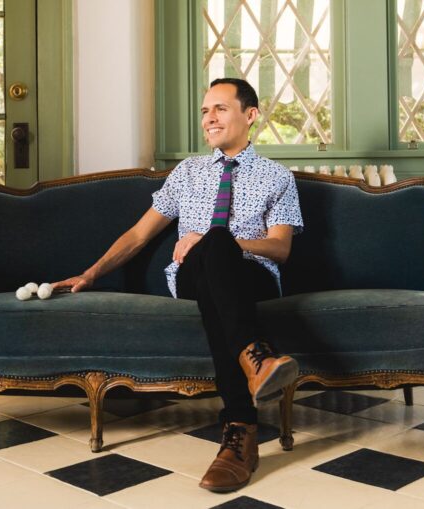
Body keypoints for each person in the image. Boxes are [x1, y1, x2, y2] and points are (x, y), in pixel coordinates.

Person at [53, 78, 304, 492]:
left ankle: (240, 431)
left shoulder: (277, 177)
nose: (209, 118)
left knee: (219, 243)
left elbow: (279, 249)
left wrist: (216, 241)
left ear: (251, 115)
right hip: (191, 276)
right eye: (205, 111)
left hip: (252, 276)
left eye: (220, 109)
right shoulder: (186, 173)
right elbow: (138, 236)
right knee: (211, 261)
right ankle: (254, 360)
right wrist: (90, 273)